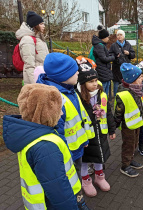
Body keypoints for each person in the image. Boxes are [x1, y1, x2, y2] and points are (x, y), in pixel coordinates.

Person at [3, 84, 80, 209]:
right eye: (59, 109)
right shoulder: (46, 147)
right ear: (46, 113)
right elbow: (57, 189)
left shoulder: (31, 136)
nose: (61, 113)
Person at [37, 52, 94, 210]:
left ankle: (78, 199)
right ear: (63, 75)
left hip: (77, 148)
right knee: (71, 181)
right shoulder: (56, 100)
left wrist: (85, 140)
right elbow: (57, 132)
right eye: (74, 71)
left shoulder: (69, 89)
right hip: (67, 154)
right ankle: (77, 202)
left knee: (75, 179)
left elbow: (79, 118)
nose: (77, 72)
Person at [76, 62, 116, 197]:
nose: (95, 83)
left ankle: (100, 177)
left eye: (95, 80)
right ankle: (85, 180)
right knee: (85, 158)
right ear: (82, 83)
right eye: (90, 81)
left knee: (100, 155)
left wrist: (112, 129)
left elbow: (108, 112)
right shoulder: (78, 97)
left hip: (101, 133)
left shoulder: (101, 93)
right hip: (87, 136)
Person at [114, 63, 143, 177]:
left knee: (134, 143)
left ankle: (130, 159)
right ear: (133, 80)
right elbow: (118, 112)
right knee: (128, 144)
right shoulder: (123, 94)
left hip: (136, 122)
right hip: (127, 125)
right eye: (140, 78)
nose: (142, 80)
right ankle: (125, 165)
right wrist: (114, 126)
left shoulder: (136, 89)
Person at [15, 11, 49, 85]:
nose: (44, 26)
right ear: (35, 25)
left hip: (42, 77)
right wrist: (35, 83)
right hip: (36, 80)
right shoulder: (28, 39)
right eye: (41, 24)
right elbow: (29, 65)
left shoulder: (39, 39)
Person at [109, 30, 136, 96]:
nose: (119, 36)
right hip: (117, 69)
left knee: (126, 84)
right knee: (116, 84)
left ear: (124, 36)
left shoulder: (128, 44)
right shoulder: (114, 45)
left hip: (126, 68)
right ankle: (116, 98)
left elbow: (133, 55)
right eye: (118, 35)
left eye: (121, 35)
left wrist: (128, 53)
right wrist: (115, 56)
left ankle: (125, 97)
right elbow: (109, 55)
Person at [92, 25, 115, 96]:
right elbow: (104, 58)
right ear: (104, 38)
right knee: (103, 92)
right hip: (102, 71)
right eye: (107, 37)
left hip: (105, 71)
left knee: (106, 91)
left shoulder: (101, 45)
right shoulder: (99, 46)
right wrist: (113, 57)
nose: (108, 38)